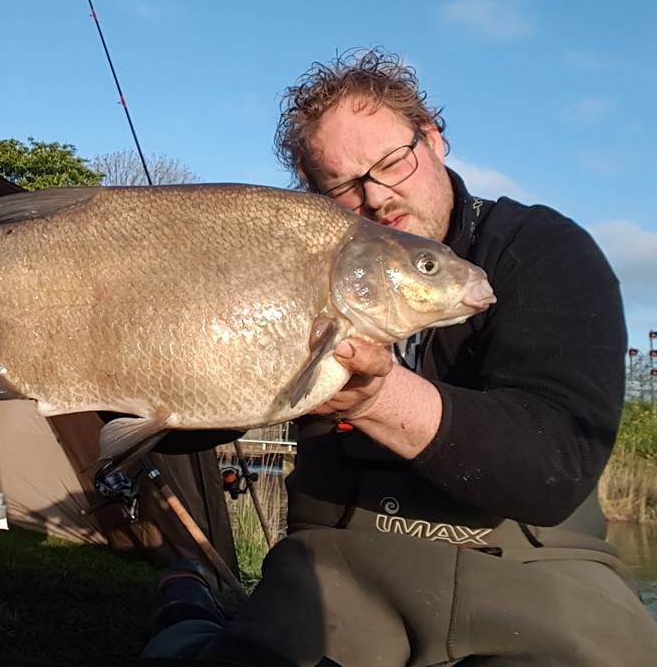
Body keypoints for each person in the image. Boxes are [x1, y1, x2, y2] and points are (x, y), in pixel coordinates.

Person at [142, 48, 657, 666]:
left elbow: (555, 462)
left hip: (535, 570)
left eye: (391, 162)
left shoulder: (542, 250)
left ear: (434, 139)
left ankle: (191, 609)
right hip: (337, 566)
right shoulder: (293, 264)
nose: (378, 196)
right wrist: (158, 355)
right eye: (341, 187)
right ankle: (187, 615)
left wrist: (378, 397)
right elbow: (181, 435)